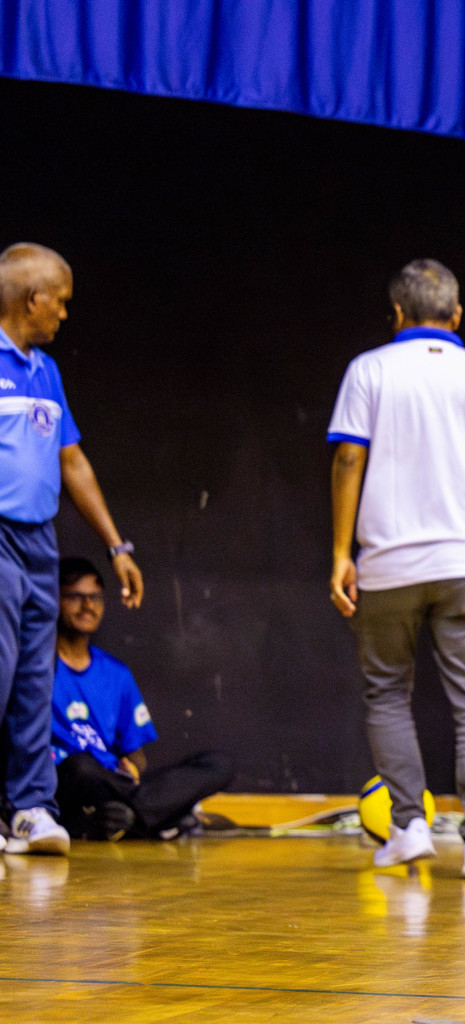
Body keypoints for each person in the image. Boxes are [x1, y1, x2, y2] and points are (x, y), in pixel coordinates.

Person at [328, 259, 465, 881]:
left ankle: (408, 827)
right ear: (456, 315)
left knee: (388, 694)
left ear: (396, 314)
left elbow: (348, 460)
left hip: (387, 565)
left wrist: (343, 552)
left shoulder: (368, 369)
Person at [0, 243, 144, 856]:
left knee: (35, 678)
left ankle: (29, 807)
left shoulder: (46, 372)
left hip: (40, 540)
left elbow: (71, 460)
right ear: (33, 298)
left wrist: (116, 545)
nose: (63, 314)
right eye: (60, 302)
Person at [51, 558, 234, 840]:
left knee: (218, 764)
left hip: (113, 783)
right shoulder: (37, 667)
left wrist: (133, 767)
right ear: (55, 599)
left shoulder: (116, 673)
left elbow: (135, 753)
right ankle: (160, 816)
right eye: (76, 597)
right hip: (66, 781)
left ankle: (129, 818)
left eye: (96, 598)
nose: (88, 606)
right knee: (81, 767)